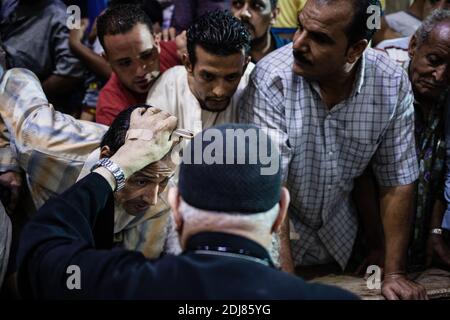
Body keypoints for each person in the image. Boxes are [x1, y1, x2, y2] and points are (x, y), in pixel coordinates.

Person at [16, 120, 357, 300]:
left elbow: (41, 247)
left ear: (175, 207)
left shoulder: (122, 285)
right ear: (281, 212)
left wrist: (114, 168)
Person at [239, 0, 427, 300]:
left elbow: (398, 180)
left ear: (355, 50)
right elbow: (271, 186)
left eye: (319, 38)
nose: (298, 43)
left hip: (342, 242)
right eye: (301, 27)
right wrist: (286, 286)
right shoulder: (271, 79)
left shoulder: (391, 84)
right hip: (276, 245)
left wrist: (394, 273)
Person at [0, 68, 180, 259]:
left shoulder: (162, 198)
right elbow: (15, 78)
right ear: (106, 158)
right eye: (141, 181)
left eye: (162, 181)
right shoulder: (42, 141)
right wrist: (7, 156)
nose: (151, 199)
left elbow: (130, 271)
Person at [146, 10, 253, 133]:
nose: (219, 92)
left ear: (244, 67)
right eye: (208, 76)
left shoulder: (255, 84)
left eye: (231, 77)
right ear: (188, 64)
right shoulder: (167, 88)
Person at [95, 4, 180, 126]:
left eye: (146, 55)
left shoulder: (180, 53)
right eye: (125, 63)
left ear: (157, 42)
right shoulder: (110, 109)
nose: (141, 72)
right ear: (107, 60)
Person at [0, 0, 86, 113]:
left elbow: (70, 73)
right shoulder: (9, 5)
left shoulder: (61, 16)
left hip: (31, 105)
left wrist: (28, 97)